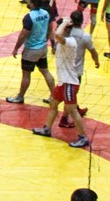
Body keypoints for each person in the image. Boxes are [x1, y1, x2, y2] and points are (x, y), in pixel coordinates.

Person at [33, 10, 97, 148]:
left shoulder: (70, 42)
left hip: (69, 83)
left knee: (72, 110)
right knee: (53, 104)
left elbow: (57, 34)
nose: (57, 29)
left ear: (66, 29)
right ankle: (47, 129)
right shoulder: (64, 41)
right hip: (63, 82)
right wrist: (64, 23)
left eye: (60, 27)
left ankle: (83, 137)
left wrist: (65, 22)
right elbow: (56, 35)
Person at [6, 0, 55, 105]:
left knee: (26, 74)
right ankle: (53, 96)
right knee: (45, 71)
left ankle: (20, 97)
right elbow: (50, 28)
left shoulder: (29, 17)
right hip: (43, 48)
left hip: (31, 50)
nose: (27, 2)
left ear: (32, 4)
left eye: (29, 1)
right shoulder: (45, 13)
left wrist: (16, 48)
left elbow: (23, 35)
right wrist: (45, 40)